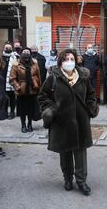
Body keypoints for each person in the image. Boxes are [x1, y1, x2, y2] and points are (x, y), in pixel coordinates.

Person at [37, 49, 98, 196]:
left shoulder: (83, 77)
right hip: (61, 121)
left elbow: (91, 94)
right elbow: (42, 97)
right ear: (60, 62)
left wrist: (91, 108)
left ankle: (81, 181)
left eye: (72, 59)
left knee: (80, 154)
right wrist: (53, 109)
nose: (69, 62)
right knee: (65, 154)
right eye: (66, 59)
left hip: (81, 121)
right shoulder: (53, 77)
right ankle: (68, 179)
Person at [10, 48, 42, 133]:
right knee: (22, 109)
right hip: (22, 90)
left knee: (31, 109)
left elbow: (38, 76)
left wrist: (38, 86)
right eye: (24, 52)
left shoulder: (35, 64)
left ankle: (30, 124)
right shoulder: (16, 64)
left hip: (32, 90)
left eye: (28, 52)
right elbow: (12, 79)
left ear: (30, 54)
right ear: (21, 53)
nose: (26, 53)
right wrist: (18, 87)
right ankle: (23, 125)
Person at [2, 42, 18, 119]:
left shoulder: (15, 57)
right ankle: (4, 112)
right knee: (4, 98)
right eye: (6, 47)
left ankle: (12, 112)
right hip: (2, 80)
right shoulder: (0, 57)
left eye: (9, 47)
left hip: (12, 80)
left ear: (12, 49)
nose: (7, 49)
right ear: (4, 48)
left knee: (12, 98)